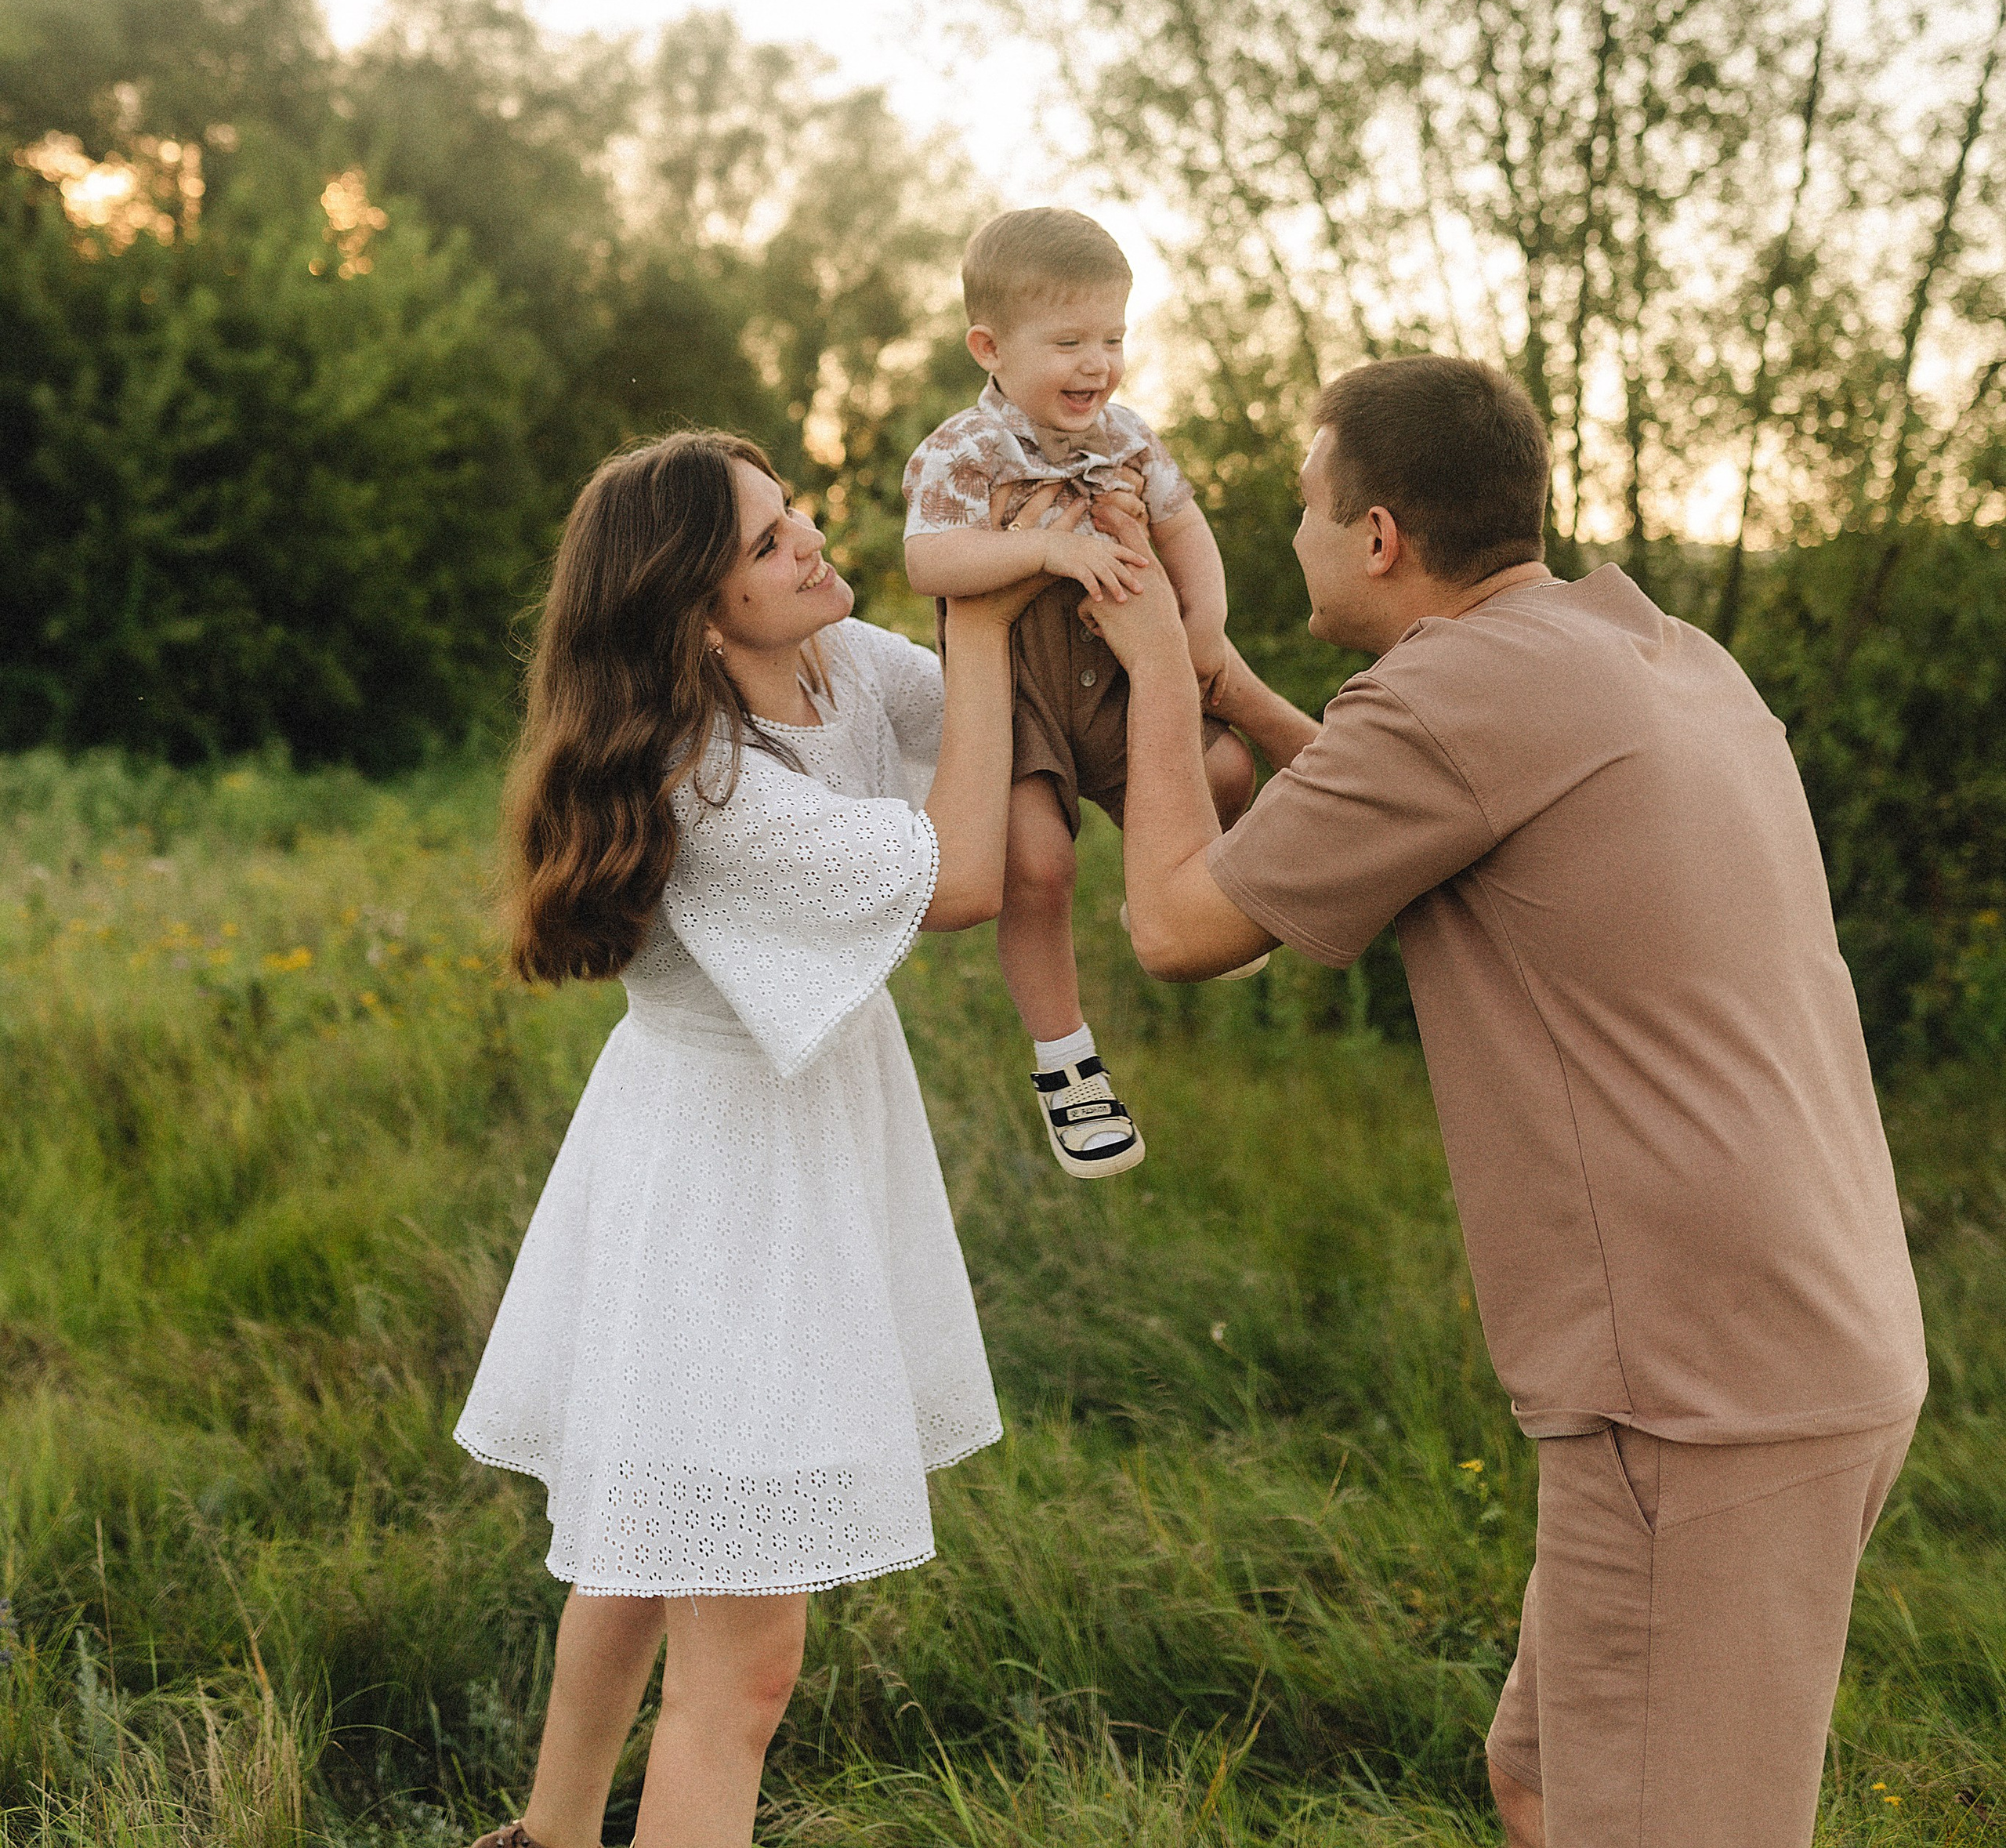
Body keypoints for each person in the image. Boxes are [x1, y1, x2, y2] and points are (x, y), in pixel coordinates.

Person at [1084, 355, 1927, 1848]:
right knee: (1542, 1783)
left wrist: (1156, 665)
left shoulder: (1454, 694)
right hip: (1804, 1331)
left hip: (1694, 1391)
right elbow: (1421, 799)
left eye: (1306, 507)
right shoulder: (1646, 647)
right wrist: (1237, 693)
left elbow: (1175, 924)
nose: (1292, 535)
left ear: (1380, 534)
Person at [457, 430, 1037, 1848]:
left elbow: (988, 718)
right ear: (699, 616)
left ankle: (545, 1837)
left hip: (772, 1145)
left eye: (795, 514)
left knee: (650, 1535)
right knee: (748, 1659)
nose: (812, 542)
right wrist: (981, 612)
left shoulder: (828, 662)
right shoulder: (706, 784)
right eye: (769, 544)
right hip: (724, 1184)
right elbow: (963, 875)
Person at [902, 207, 1257, 1178]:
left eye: (1113, 337)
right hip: (1017, 693)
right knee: (1038, 863)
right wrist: (1045, 550)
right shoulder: (963, 451)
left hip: (1118, 678)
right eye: (1068, 342)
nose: (1097, 363)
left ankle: (1177, 900)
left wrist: (1204, 623)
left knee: (1226, 767)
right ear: (989, 348)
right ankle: (1068, 1064)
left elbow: (1184, 528)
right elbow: (930, 560)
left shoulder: (1128, 436)